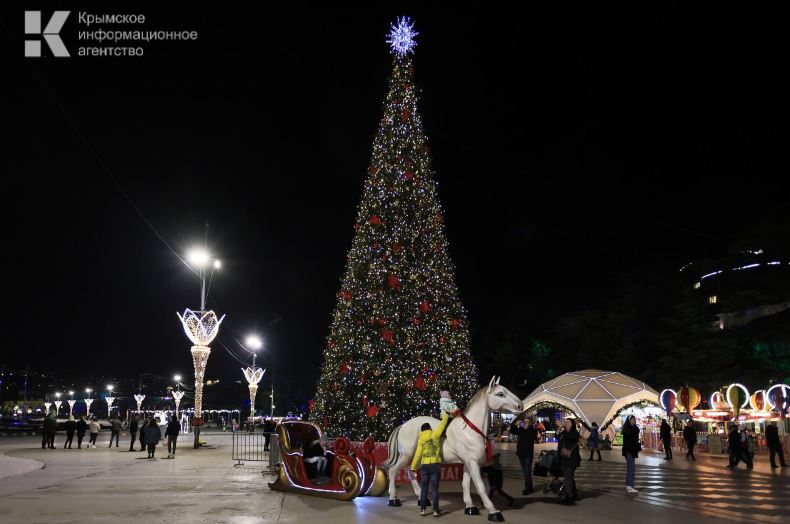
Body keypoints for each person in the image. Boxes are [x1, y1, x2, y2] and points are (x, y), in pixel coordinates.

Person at [411, 411, 450, 517]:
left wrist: (413, 467)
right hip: (435, 466)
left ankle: (423, 510)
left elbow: (417, 455)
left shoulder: (420, 440)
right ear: (429, 429)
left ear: (422, 430)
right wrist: (445, 414)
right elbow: (443, 424)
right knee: (434, 490)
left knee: (424, 489)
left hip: (424, 467)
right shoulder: (435, 435)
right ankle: (436, 511)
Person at [509, 414, 537, 494]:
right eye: (524, 421)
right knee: (525, 472)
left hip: (528, 454)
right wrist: (515, 425)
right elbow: (512, 431)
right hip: (521, 452)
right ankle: (530, 487)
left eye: (527, 422)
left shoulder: (533, 429)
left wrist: (526, 428)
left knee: (527, 472)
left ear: (530, 423)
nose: (525, 423)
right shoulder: (520, 429)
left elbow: (533, 437)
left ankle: (528, 488)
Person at [557, 418, 580, 501]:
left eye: (568, 422)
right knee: (569, 477)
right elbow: (557, 436)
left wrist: (562, 428)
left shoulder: (574, 433)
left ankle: (568, 494)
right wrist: (559, 428)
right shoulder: (564, 432)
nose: (566, 423)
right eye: (565, 422)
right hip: (564, 457)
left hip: (572, 458)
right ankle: (573, 493)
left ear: (572, 424)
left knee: (568, 477)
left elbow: (569, 437)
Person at [622, 415, 641, 494]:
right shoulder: (627, 429)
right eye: (633, 419)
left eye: (635, 419)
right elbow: (630, 440)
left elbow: (636, 434)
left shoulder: (634, 428)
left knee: (631, 468)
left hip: (632, 450)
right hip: (629, 450)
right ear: (629, 420)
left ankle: (629, 485)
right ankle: (629, 486)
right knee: (631, 468)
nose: (634, 420)